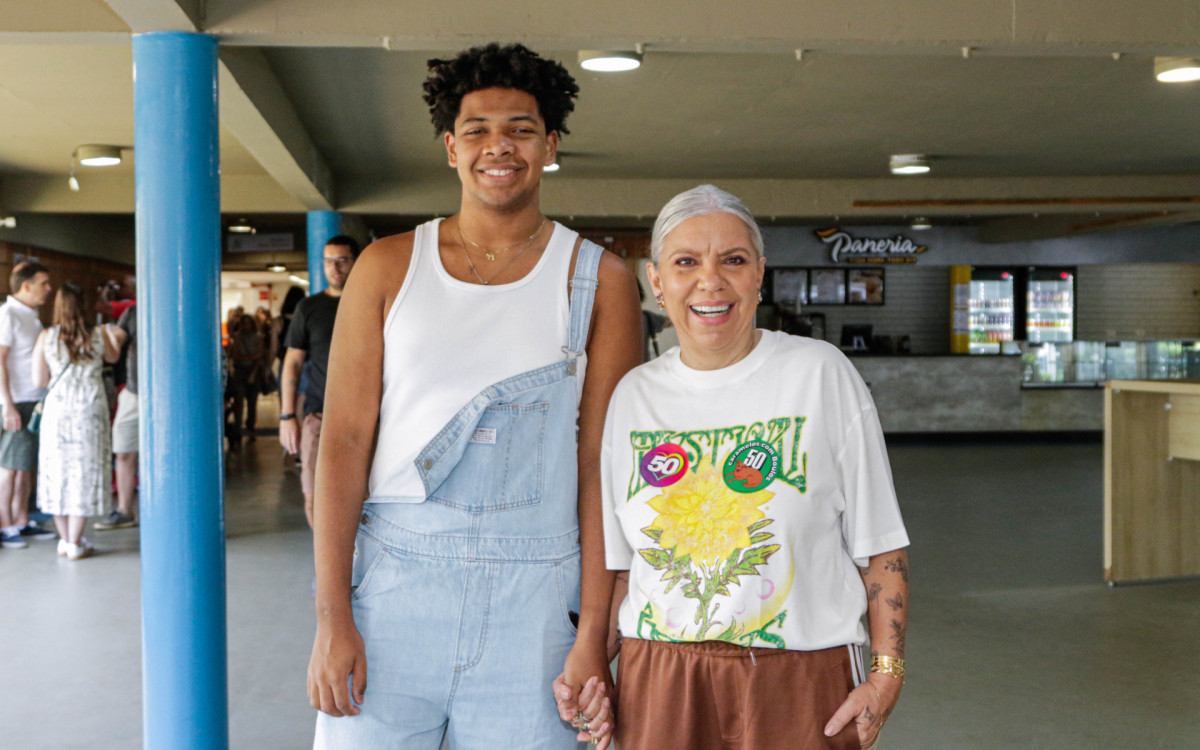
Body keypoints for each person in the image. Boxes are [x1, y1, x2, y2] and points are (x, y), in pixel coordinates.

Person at [306, 43, 641, 749]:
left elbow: (599, 467)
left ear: (549, 145)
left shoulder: (599, 279)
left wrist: (593, 632)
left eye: (521, 129)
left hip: (538, 605)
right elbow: (341, 444)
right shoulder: (388, 266)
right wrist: (333, 616)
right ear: (450, 148)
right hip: (394, 591)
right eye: (478, 130)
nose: (499, 147)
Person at [562, 185, 910, 750]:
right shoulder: (634, 396)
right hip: (661, 677)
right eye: (685, 263)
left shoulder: (820, 374)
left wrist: (886, 673)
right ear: (656, 280)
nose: (710, 281)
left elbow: (881, 544)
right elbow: (624, 567)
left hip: (800, 676)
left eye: (733, 260)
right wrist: (594, 669)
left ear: (759, 274)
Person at [32, 283, 121, 560]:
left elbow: (39, 380)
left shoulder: (46, 336)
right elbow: (114, 357)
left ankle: (67, 539)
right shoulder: (97, 335)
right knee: (85, 470)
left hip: (57, 411)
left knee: (56, 471)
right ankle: (75, 540)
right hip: (90, 410)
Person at [279, 235, 360, 527]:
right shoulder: (309, 308)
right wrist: (288, 415)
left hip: (366, 416)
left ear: (355, 262)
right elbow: (293, 362)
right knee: (314, 495)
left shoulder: (374, 301)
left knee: (364, 497)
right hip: (319, 412)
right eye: (328, 262)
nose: (334, 268)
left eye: (342, 261)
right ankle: (325, 567)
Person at [0, 261, 56, 549]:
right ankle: (5, 524)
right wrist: (6, 405)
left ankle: (21, 520)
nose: (48, 289)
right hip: (16, 399)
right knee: (9, 467)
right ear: (26, 285)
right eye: (43, 283)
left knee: (24, 466)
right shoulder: (8, 314)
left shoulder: (29, 315)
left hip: (33, 398)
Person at [97, 301, 139, 530]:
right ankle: (124, 510)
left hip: (172, 396)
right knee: (123, 451)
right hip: (134, 392)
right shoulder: (133, 312)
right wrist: (108, 334)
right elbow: (119, 340)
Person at [228, 314, 266, 446]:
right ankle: (238, 430)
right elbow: (235, 355)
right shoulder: (237, 337)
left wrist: (253, 372)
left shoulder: (257, 337)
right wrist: (251, 357)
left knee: (252, 404)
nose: (245, 326)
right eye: (243, 323)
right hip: (240, 371)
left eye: (248, 323)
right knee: (238, 403)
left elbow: (259, 356)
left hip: (252, 372)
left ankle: (250, 429)